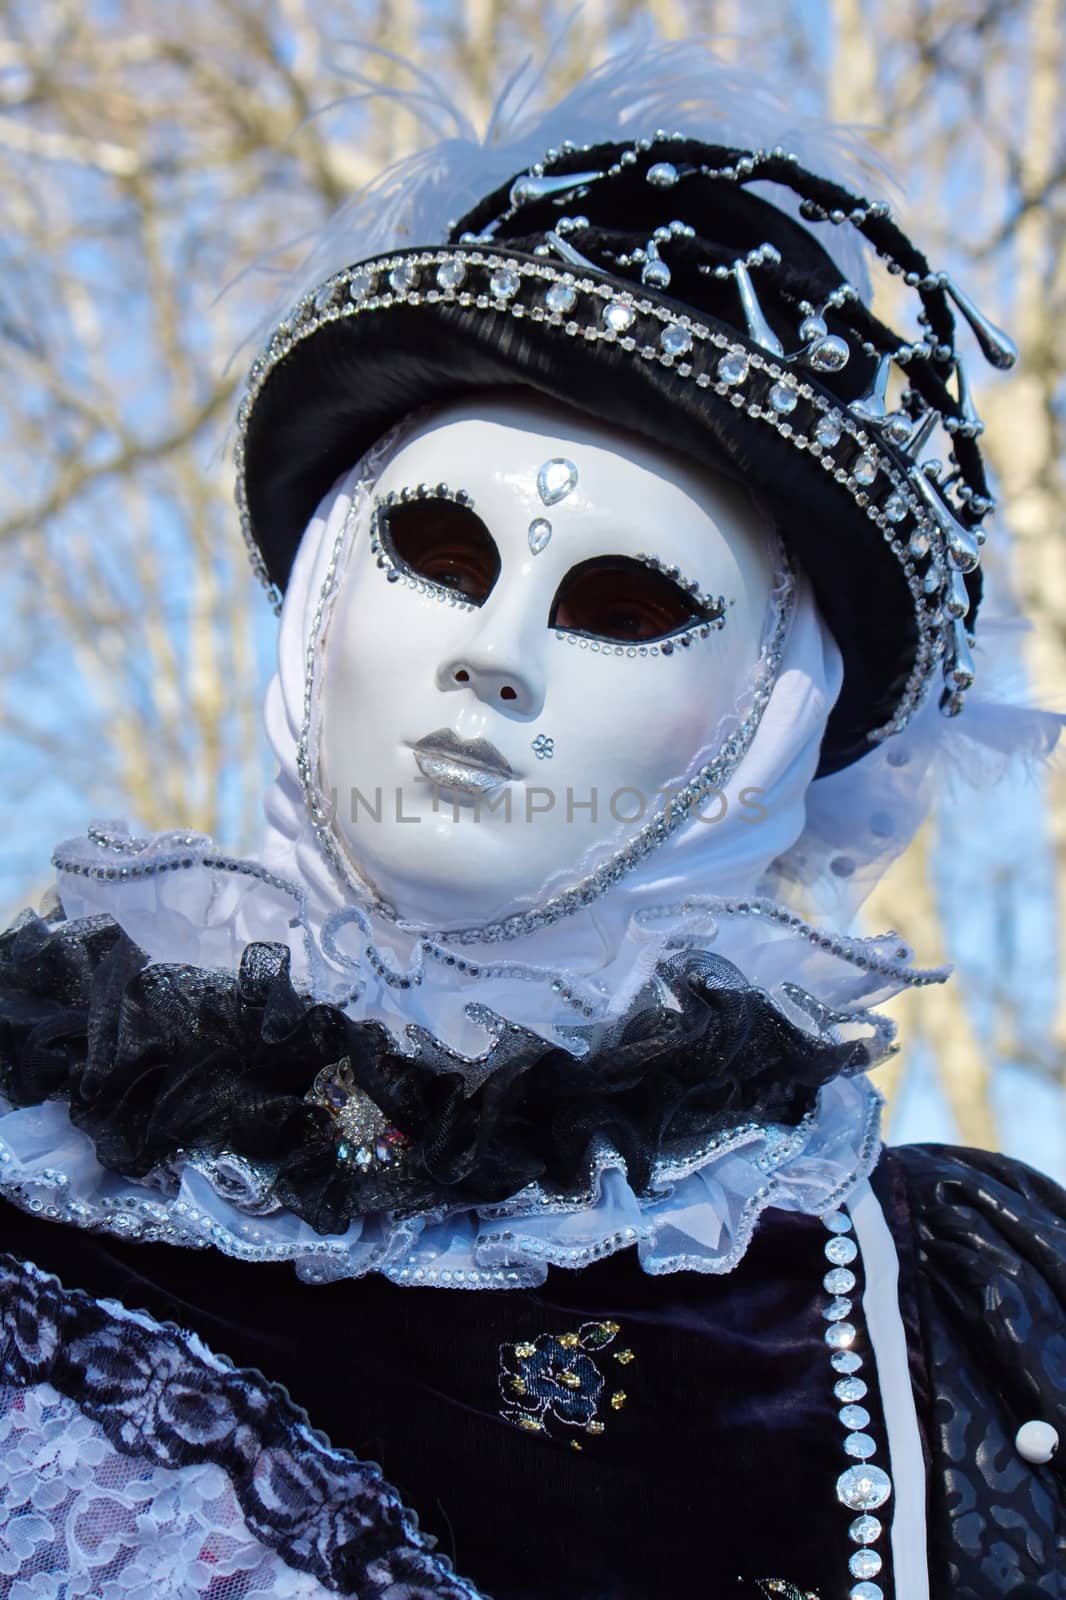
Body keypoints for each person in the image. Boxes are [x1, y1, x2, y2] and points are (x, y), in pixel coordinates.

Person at [0, 39, 1062, 1600]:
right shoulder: (39, 1151)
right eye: (437, 548)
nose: (489, 658)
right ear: (315, 604)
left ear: (779, 718)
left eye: (624, 602)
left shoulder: (957, 1316)